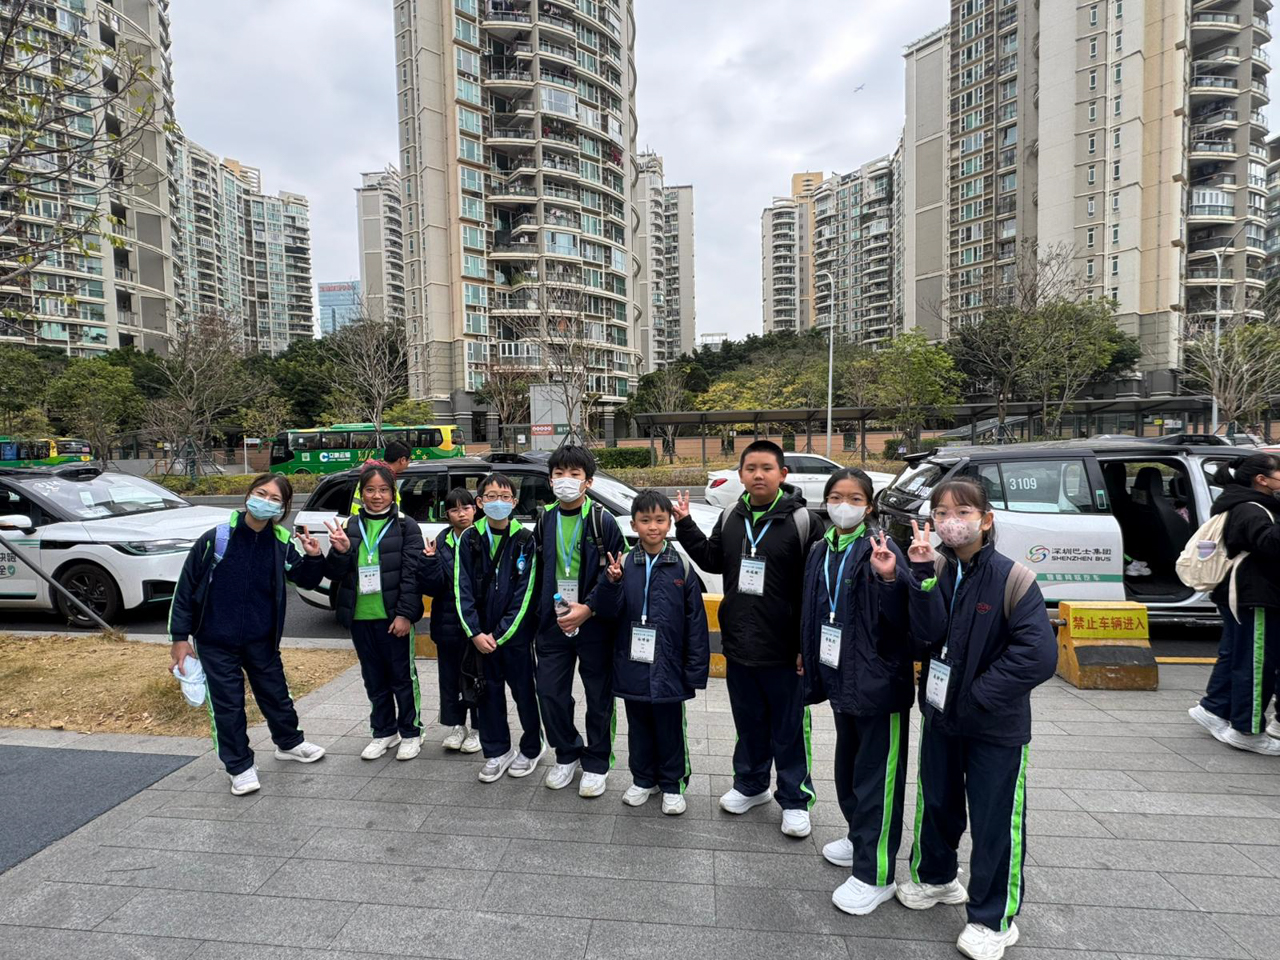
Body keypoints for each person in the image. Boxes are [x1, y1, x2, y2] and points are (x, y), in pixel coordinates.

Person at [897, 478, 1057, 960]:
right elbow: (921, 636)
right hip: (941, 715)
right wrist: (919, 578)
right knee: (936, 801)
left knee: (994, 822)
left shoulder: (1014, 579)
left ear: (986, 520)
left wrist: (977, 696)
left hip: (994, 725)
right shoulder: (934, 567)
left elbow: (1037, 655)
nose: (952, 521)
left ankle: (993, 919)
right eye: (942, 512)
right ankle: (936, 877)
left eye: (963, 511)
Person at [673, 439, 824, 838]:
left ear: (782, 474)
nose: (759, 475)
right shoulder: (730, 516)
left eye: (767, 468)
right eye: (751, 468)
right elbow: (711, 560)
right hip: (740, 642)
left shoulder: (803, 522)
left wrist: (804, 645)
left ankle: (795, 799)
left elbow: (815, 588)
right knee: (749, 722)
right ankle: (751, 785)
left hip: (785, 648)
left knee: (789, 728)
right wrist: (685, 524)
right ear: (740, 475)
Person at [168, 474, 327, 796]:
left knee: (277, 695)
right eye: (260, 494)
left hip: (262, 639)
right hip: (215, 640)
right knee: (228, 706)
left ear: (283, 508)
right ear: (248, 495)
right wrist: (180, 639)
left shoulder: (281, 542)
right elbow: (185, 589)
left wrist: (313, 556)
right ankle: (239, 766)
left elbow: (305, 580)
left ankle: (289, 743)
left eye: (274, 499)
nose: (265, 502)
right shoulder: (217, 538)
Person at [799, 468, 913, 916]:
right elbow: (813, 608)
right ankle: (857, 835)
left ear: (869, 506)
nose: (843, 505)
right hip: (840, 675)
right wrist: (808, 655)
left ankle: (876, 872)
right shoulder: (822, 548)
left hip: (877, 682)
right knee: (848, 767)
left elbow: (903, 615)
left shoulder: (881, 549)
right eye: (835, 496)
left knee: (877, 778)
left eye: (854, 498)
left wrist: (890, 578)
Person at [598, 490, 709, 815]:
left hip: (669, 665)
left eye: (660, 520)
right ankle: (643, 779)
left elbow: (696, 621)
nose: (653, 527)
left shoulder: (681, 566)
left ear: (669, 523)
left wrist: (695, 669)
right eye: (645, 520)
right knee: (639, 726)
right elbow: (608, 613)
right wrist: (611, 583)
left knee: (670, 728)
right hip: (632, 663)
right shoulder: (623, 564)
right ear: (634, 524)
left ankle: (672, 784)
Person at [535, 444, 626, 797]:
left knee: (598, 697)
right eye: (559, 474)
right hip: (553, 623)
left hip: (594, 623)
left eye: (574, 474)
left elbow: (615, 574)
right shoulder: (545, 520)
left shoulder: (603, 521)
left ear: (588, 482)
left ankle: (597, 762)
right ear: (550, 480)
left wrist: (587, 609)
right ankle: (567, 753)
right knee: (550, 692)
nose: (566, 480)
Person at [325, 463, 426, 761]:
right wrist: (341, 551)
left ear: (393, 493)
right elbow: (335, 573)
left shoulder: (406, 526)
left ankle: (412, 732)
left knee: (402, 678)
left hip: (394, 618)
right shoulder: (349, 526)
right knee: (373, 679)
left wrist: (405, 614)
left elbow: (412, 575)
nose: (377, 496)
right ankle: (384, 732)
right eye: (370, 490)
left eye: (383, 490)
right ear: (362, 492)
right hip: (360, 617)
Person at [454, 472, 545, 782]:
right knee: (488, 695)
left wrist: (500, 634)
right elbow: (462, 589)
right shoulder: (469, 538)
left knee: (525, 693)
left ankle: (532, 748)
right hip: (480, 637)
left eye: (505, 497)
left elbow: (525, 594)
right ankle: (497, 751)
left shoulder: (525, 539)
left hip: (515, 637)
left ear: (514, 502)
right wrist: (475, 633)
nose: (498, 502)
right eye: (491, 497)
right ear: (480, 502)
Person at [1191, 454, 1280, 756]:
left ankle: (1215, 708)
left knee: (1236, 655)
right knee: (1256, 663)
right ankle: (1246, 730)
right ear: (1262, 480)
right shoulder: (1251, 509)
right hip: (1255, 593)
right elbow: (1271, 546)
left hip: (1246, 593)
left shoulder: (1243, 503)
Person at [420, 487, 482, 753]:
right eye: (455, 509)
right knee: (449, 678)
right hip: (446, 623)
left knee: (478, 677)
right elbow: (432, 587)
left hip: (476, 624)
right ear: (447, 514)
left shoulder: (483, 538)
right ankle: (457, 726)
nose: (462, 514)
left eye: (466, 508)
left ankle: (479, 727)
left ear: (475, 509)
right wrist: (429, 563)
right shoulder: (441, 542)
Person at [350, 439, 412, 515]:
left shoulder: (378, 474)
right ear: (402, 460)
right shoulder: (380, 477)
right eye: (409, 460)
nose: (409, 463)